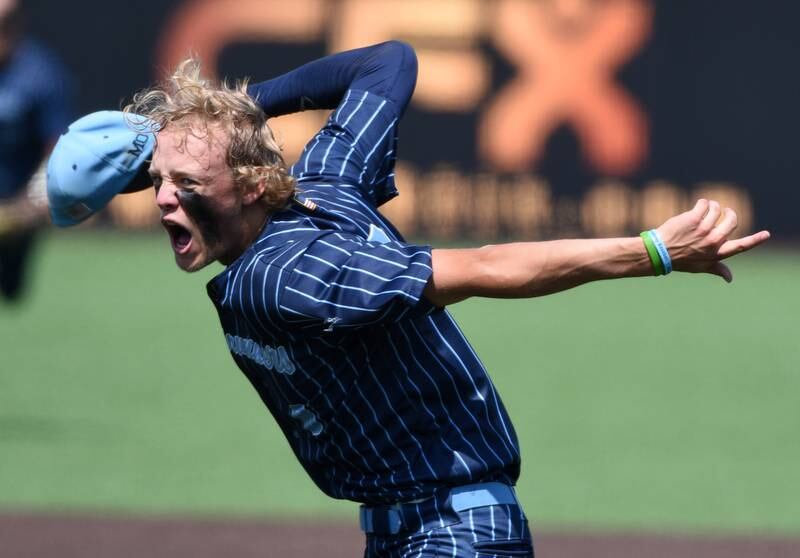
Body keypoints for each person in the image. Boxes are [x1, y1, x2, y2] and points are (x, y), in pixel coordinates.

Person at [46, 42, 769, 557]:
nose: (162, 199)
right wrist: (220, 122)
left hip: (454, 536)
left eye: (188, 186)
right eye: (157, 182)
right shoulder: (328, 183)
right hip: (412, 532)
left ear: (255, 187)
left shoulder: (283, 279)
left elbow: (486, 265)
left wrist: (650, 252)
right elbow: (387, 62)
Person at [0, 0, 73, 302]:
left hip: (17, 211)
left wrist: (28, 206)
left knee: (13, 292)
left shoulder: (40, 74)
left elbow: (56, 150)